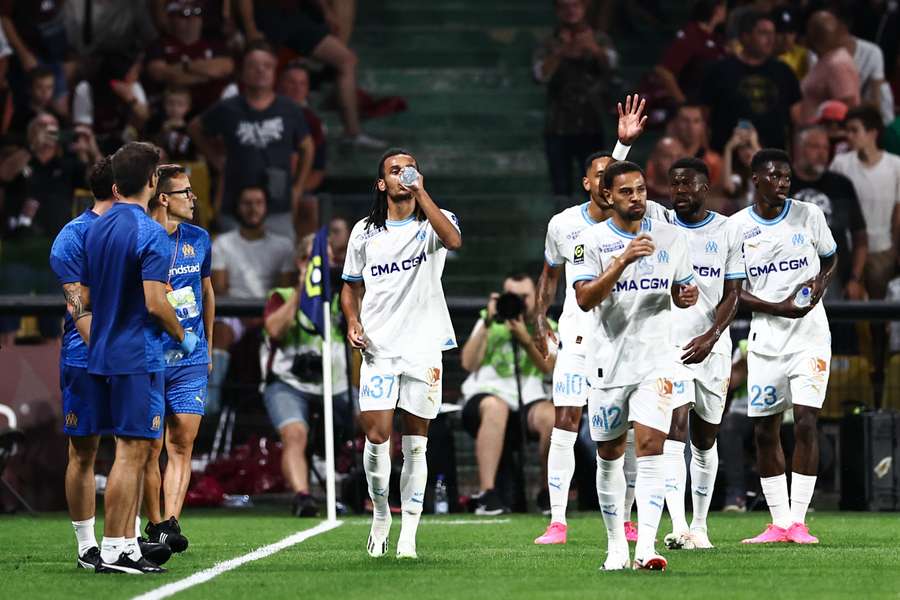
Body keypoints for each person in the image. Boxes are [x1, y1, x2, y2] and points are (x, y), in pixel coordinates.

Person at [531, 94, 647, 542]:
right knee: (566, 419)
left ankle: (629, 516)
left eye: (612, 178)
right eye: (599, 177)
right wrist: (541, 320)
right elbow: (548, 276)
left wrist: (622, 149)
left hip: (620, 338)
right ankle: (558, 519)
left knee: (628, 427)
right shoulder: (563, 225)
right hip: (578, 337)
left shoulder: (629, 220)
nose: (606, 184)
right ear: (586, 183)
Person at [571, 160, 698, 571]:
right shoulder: (588, 242)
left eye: (641, 189)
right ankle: (615, 546)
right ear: (608, 196)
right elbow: (585, 298)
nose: (637, 198)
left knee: (650, 449)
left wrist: (685, 296)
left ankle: (645, 546)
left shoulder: (671, 237)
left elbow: (683, 287)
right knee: (608, 453)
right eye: (627, 192)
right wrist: (622, 261)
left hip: (656, 362)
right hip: (608, 363)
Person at [81, 142, 198, 574]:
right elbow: (154, 301)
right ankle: (113, 548)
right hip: (138, 354)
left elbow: (89, 296)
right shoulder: (150, 233)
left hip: (105, 349)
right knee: (132, 453)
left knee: (133, 450)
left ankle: (128, 544)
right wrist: (181, 332)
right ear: (152, 182)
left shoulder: (96, 227)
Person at [340, 148, 461, 559]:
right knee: (376, 436)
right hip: (378, 348)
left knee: (416, 446)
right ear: (382, 184)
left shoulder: (434, 221)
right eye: (395, 170)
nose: (404, 175)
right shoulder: (364, 232)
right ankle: (379, 512)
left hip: (424, 348)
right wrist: (352, 321)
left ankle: (409, 533)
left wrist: (423, 193)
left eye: (410, 168)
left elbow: (454, 241)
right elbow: (350, 286)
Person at [49, 156, 167, 570]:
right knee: (85, 449)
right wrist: (107, 347)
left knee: (133, 446)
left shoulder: (132, 228)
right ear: (119, 188)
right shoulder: (73, 236)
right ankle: (87, 546)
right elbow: (78, 304)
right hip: (88, 356)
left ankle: (126, 539)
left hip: (119, 351)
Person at [729, 148, 837, 545]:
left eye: (787, 178)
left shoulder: (809, 216)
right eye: (774, 177)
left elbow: (830, 258)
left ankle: (799, 521)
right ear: (756, 179)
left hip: (810, 338)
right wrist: (781, 307)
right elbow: (735, 292)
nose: (782, 184)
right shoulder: (738, 227)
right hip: (766, 341)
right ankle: (778, 523)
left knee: (806, 421)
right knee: (764, 429)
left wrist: (816, 289)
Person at [658, 158, 744, 551]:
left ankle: (701, 525)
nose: (679, 191)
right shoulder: (659, 225)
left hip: (713, 346)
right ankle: (677, 525)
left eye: (687, 185)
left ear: (704, 188)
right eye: (674, 184)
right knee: (674, 428)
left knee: (705, 439)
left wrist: (712, 335)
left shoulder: (728, 230)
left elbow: (734, 294)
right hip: (669, 344)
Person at [143, 164, 214, 554]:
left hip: (190, 359)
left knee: (182, 443)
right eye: (185, 192)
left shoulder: (199, 239)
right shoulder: (141, 239)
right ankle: (152, 521)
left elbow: (207, 293)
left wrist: (208, 347)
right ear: (164, 198)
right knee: (150, 447)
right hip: (152, 356)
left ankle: (169, 524)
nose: (194, 198)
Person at [260, 233, 351, 518]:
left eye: (327, 261)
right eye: (315, 261)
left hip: (334, 386)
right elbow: (274, 329)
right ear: (302, 262)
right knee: (295, 433)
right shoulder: (281, 296)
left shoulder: (342, 300)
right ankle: (303, 496)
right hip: (289, 383)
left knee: (375, 421)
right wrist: (303, 290)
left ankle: (370, 493)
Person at [189, 41, 314, 239]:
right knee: (232, 264)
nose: (260, 70)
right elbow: (195, 128)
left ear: (274, 72)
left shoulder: (289, 108)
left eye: (267, 66)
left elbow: (307, 147)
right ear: (243, 72)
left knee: (281, 263)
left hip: (278, 202)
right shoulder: (228, 108)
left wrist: (298, 187)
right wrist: (217, 161)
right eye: (254, 65)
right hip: (234, 202)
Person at [459, 273, 556, 516]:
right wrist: (489, 323)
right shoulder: (488, 321)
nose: (519, 302)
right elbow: (468, 363)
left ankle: (549, 493)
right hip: (486, 396)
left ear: (536, 297)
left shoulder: (546, 325)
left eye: (524, 297)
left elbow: (549, 367)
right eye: (513, 297)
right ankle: (488, 494)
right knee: (495, 407)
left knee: (552, 417)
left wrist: (526, 339)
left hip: (530, 399)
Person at [236, 0, 385, 149]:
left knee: (347, 60)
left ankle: (352, 133)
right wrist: (250, 29)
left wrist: (326, 11)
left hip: (294, 15)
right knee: (262, 67)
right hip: (265, 15)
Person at [209, 185, 294, 414]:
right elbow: (219, 289)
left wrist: (263, 315)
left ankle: (279, 400)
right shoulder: (223, 243)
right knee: (219, 333)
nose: (252, 209)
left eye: (258, 202)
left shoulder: (283, 245)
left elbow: (285, 290)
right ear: (238, 208)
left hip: (269, 311)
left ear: (266, 207)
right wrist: (244, 314)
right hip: (233, 312)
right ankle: (211, 401)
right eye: (247, 203)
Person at [533, 0, 618, 197]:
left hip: (592, 121)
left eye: (575, 5)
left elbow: (614, 71)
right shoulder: (548, 42)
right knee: (560, 187)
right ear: (557, 10)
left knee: (597, 184)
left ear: (585, 7)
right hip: (558, 124)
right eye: (565, 6)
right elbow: (539, 75)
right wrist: (562, 52)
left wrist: (595, 50)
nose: (571, 11)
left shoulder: (599, 39)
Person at [700, 9, 801, 152]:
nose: (771, 39)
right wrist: (708, 154)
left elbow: (796, 122)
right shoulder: (720, 70)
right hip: (727, 157)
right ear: (745, 37)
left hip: (773, 159)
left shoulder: (784, 72)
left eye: (773, 33)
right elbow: (703, 117)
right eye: (763, 33)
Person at [829, 105, 900, 302]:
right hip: (849, 251)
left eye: (854, 130)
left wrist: (895, 249)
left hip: (882, 250)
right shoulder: (840, 164)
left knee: (880, 312)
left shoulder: (895, 165)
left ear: (872, 133)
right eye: (847, 130)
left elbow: (898, 212)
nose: (848, 135)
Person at [145, 1, 235, 115]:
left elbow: (226, 67)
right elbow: (162, 74)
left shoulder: (214, 42)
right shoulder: (160, 44)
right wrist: (207, 74)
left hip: (211, 110)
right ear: (170, 19)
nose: (192, 18)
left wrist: (186, 66)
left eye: (197, 13)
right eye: (184, 14)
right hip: (173, 111)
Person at [653, 0, 726, 105]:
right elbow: (664, 71)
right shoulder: (692, 35)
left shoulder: (715, 37)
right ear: (717, 9)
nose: (726, 11)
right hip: (693, 101)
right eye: (724, 7)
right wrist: (683, 103)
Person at [796, 10, 860, 126]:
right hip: (812, 134)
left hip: (826, 138)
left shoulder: (838, 63)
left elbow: (847, 106)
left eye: (813, 30)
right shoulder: (825, 59)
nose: (807, 34)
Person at [669, 103, 723, 187]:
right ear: (675, 123)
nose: (690, 127)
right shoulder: (664, 157)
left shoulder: (714, 162)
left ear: (703, 126)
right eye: (685, 121)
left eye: (696, 121)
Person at [645, 136, 686, 203]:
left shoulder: (692, 194)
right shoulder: (642, 193)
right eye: (667, 156)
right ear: (654, 159)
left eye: (679, 156)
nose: (674, 162)